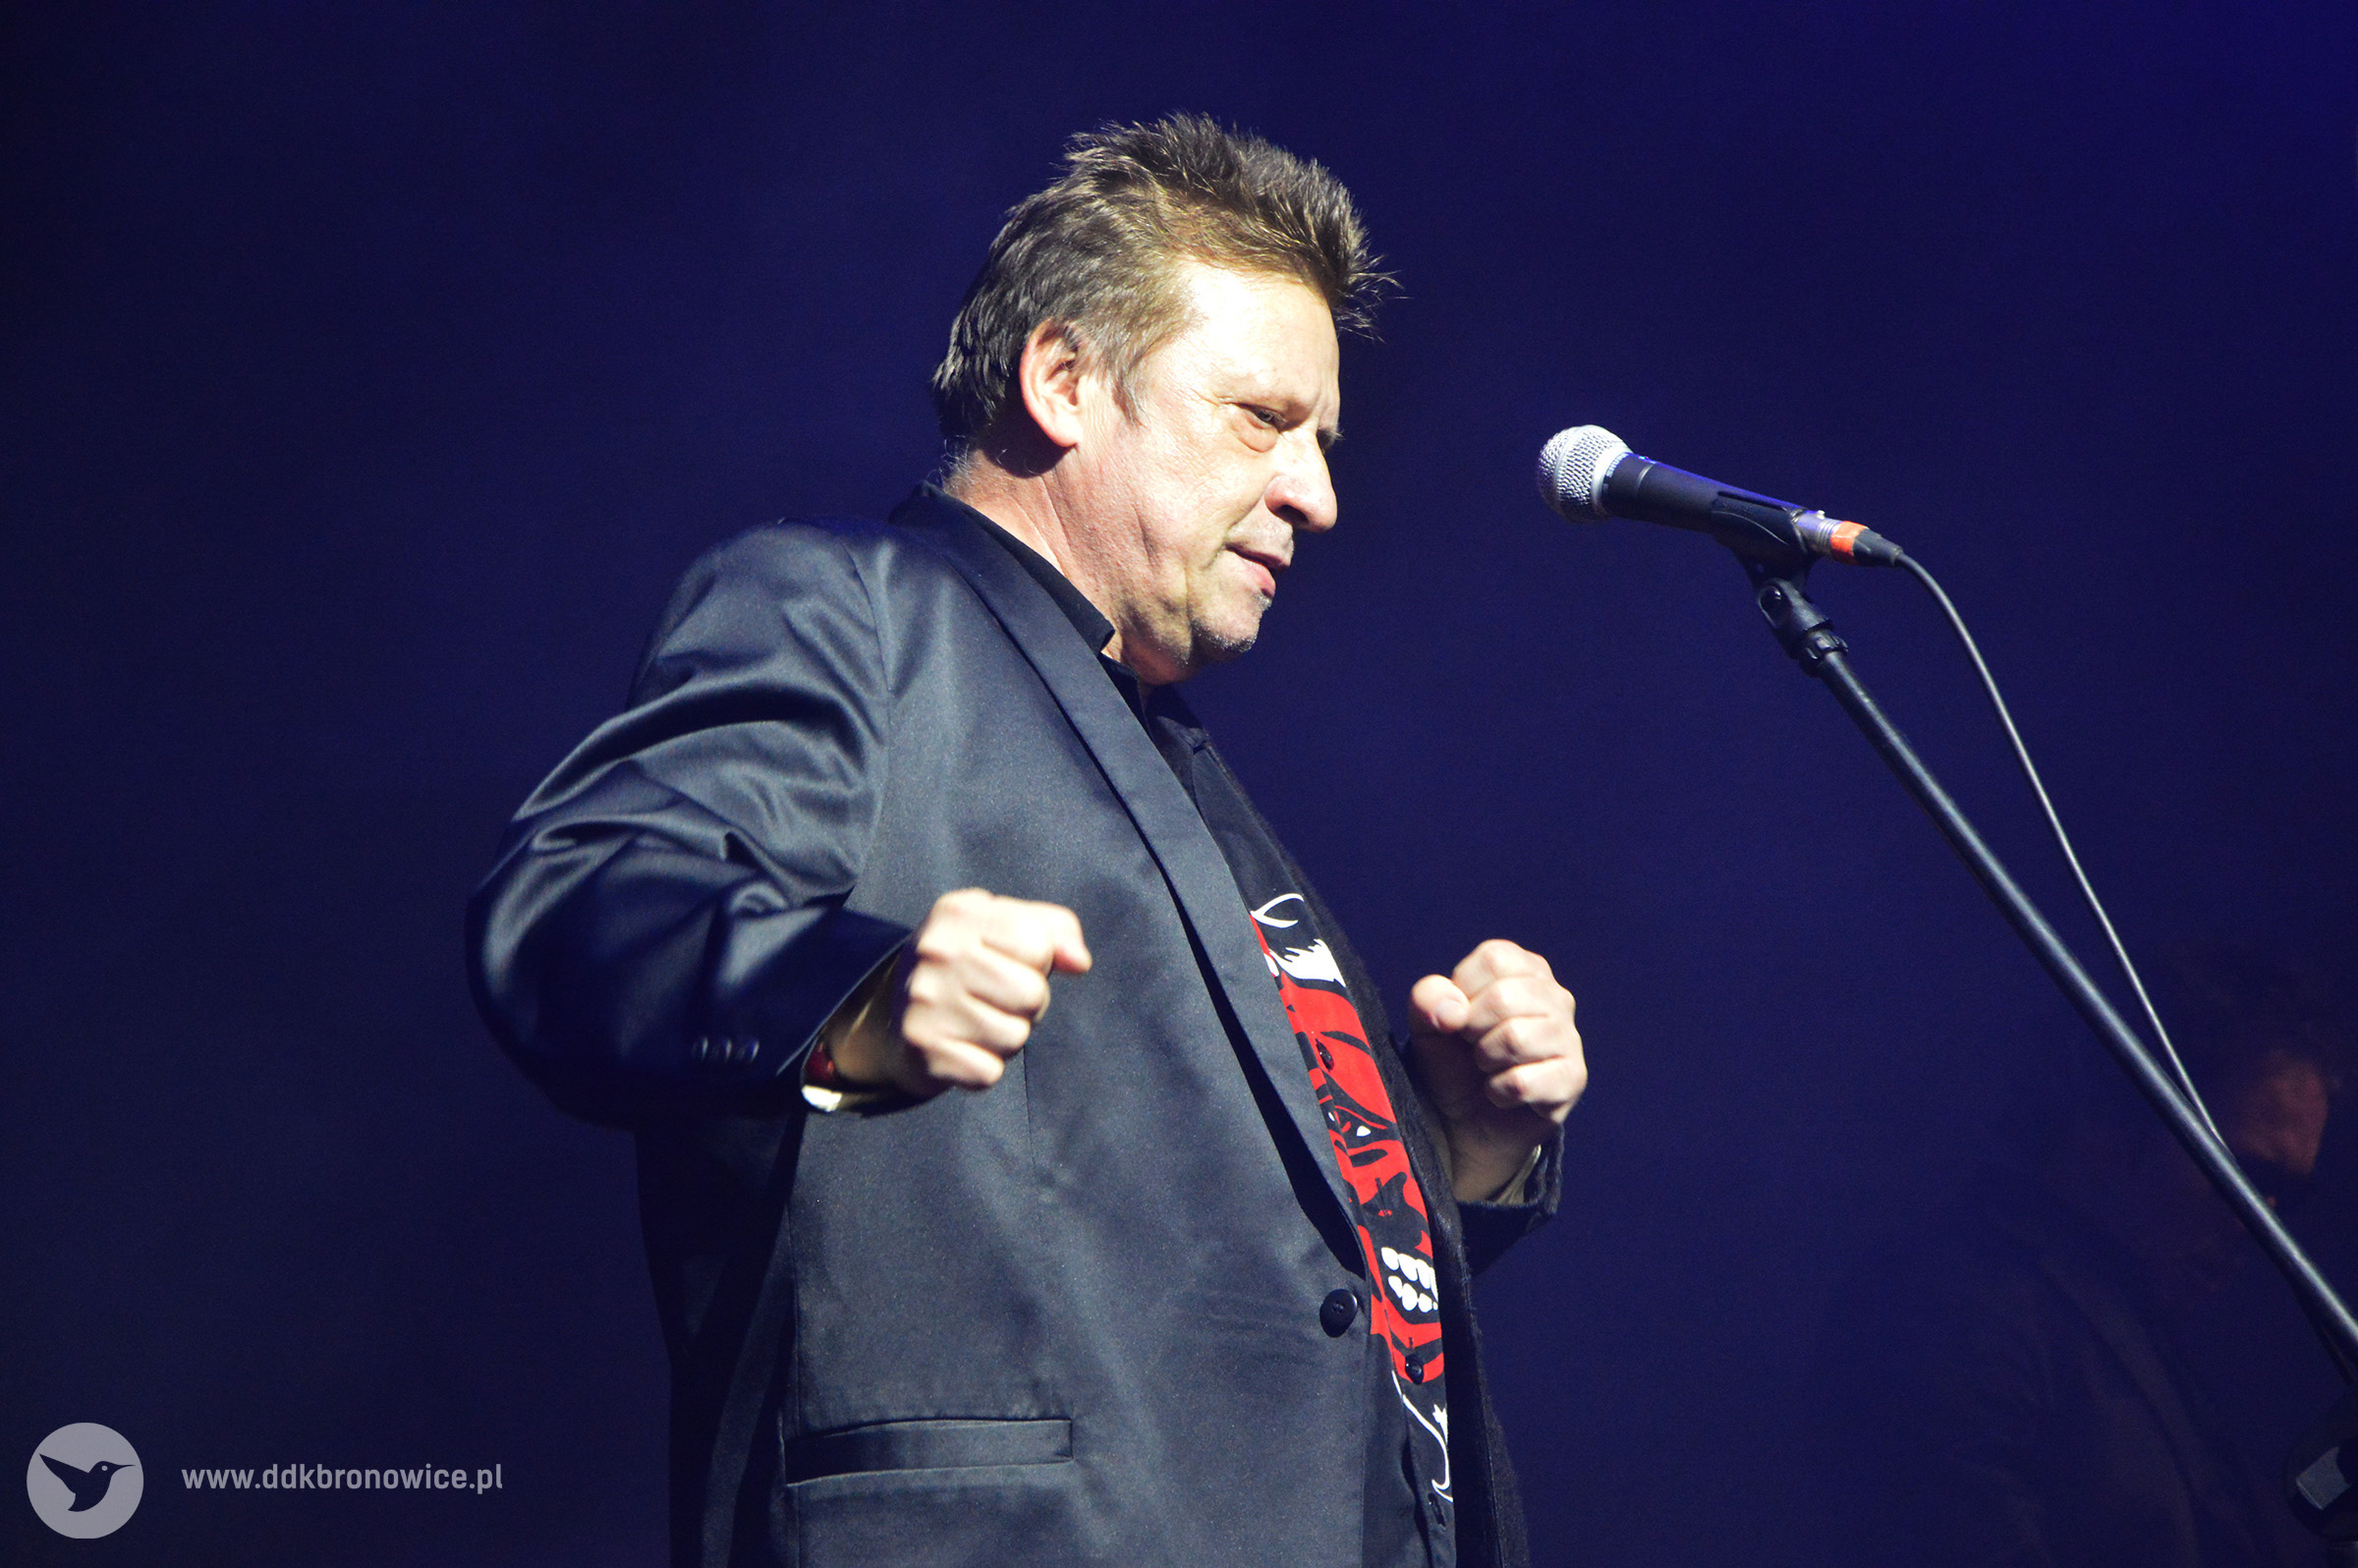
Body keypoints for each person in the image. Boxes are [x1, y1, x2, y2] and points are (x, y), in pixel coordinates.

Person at [468, 114, 1587, 1568]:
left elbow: (1258, 1293)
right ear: (1063, 380)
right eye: (1262, 419)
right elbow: (577, 913)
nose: (1317, 493)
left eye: (1320, 441)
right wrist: (851, 1000)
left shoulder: (1177, 758)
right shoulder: (846, 609)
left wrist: (1454, 1148)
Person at [1804, 944, 2347, 1567]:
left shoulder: (2144, 1327)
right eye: (2244, 1175)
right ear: (2112, 1125)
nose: (2262, 1222)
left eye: (2282, 1196)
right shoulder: (1946, 1308)